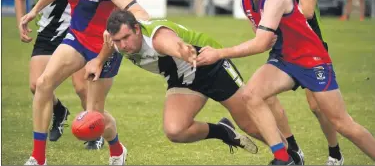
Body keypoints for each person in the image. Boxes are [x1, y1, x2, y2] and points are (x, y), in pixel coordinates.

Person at [196, 0, 375, 165]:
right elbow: (263, 39)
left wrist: (219, 53)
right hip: (284, 59)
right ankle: (285, 158)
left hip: (311, 60)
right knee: (251, 95)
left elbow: (261, 42)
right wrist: (265, 37)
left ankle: (339, 152)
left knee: (342, 123)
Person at [85, 10, 307, 164]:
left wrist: (183, 51)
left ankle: (291, 156)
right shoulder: (115, 40)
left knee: (250, 125)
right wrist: (98, 61)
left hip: (211, 66)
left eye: (126, 38)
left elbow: (172, 43)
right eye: (118, 41)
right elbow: (109, 46)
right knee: (175, 130)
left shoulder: (156, 37)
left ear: (136, 28)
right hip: (182, 78)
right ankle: (222, 131)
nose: (123, 45)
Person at [21, 0, 149, 165]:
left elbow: (138, 10)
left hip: (104, 47)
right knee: (43, 84)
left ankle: (117, 149)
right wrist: (35, 10)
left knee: (94, 117)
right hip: (77, 38)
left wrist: (144, 30)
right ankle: (38, 159)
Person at [14, 0, 106, 149]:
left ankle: (94, 131)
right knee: (37, 85)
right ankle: (59, 110)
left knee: (82, 87)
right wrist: (23, 18)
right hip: (47, 32)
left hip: (74, 30)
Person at [269, 0, 343, 164]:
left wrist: (272, 21)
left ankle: (335, 153)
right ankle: (293, 151)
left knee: (318, 107)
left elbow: (307, 10)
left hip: (309, 47)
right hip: (283, 47)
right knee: (260, 94)